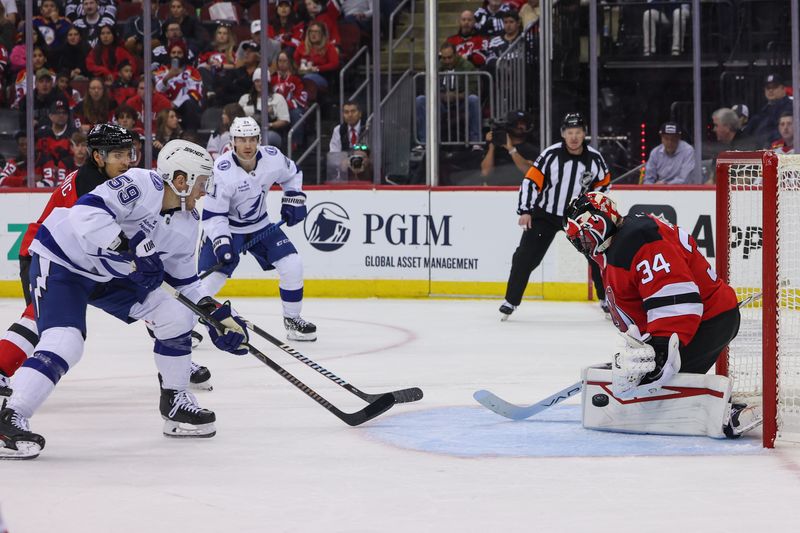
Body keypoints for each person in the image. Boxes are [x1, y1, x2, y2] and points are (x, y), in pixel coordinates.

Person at [0, 138, 248, 459]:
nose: (205, 191)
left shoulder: (188, 222)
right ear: (181, 179)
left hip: (110, 276)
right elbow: (85, 214)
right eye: (202, 182)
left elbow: (184, 281)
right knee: (66, 342)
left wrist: (215, 315)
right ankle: (10, 417)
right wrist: (127, 246)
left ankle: (175, 401)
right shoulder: (140, 183)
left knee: (175, 313)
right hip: (65, 260)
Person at [0, 125, 210, 392]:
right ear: (98, 157)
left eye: (129, 153)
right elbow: (94, 232)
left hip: (91, 262)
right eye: (117, 155)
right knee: (39, 320)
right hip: (48, 254)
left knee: (152, 299)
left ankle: (175, 355)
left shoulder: (119, 181)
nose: (126, 161)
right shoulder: (90, 183)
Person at [563, 192, 756, 438]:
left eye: (584, 236)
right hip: (697, 324)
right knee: (644, 388)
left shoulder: (637, 239)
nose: (583, 244)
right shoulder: (620, 242)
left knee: (653, 397)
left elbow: (675, 295)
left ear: (600, 221)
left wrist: (663, 347)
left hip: (705, 323)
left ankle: (732, 414)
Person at [199, 116, 317, 342]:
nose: (247, 145)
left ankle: (292, 319)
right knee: (208, 283)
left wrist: (294, 198)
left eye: (252, 139)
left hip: (261, 226)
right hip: (229, 229)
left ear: (259, 140)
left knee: (292, 264)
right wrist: (222, 242)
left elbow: (293, 173)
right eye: (242, 140)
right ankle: (182, 329)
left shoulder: (272, 158)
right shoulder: (221, 171)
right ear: (232, 141)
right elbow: (214, 216)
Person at [499, 112, 609, 320]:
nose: (574, 137)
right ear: (563, 134)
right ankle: (511, 301)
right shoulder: (550, 155)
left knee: (598, 257)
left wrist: (593, 208)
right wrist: (525, 210)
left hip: (579, 218)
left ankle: (606, 300)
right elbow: (530, 182)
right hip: (546, 215)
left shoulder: (594, 159)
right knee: (524, 257)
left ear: (584, 134)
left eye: (578, 132)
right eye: (570, 132)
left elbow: (604, 184)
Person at [415, 42, 482, 148]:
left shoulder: (467, 66)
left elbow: (474, 89)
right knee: (420, 100)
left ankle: (475, 142)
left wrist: (456, 96)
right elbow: (428, 88)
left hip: (461, 103)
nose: (447, 61)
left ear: (456, 54)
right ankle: (424, 142)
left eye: (450, 58)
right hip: (441, 103)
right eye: (444, 58)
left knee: (473, 99)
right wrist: (441, 96)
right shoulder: (437, 66)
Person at [480, 110, 537, 184]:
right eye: (516, 123)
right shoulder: (496, 147)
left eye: (522, 123)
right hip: (494, 191)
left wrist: (511, 149)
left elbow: (528, 171)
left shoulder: (531, 149)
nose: (519, 126)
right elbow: (485, 173)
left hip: (519, 191)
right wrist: (491, 146)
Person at [745, 74, 794, 148]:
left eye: (774, 87)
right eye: (768, 88)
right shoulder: (763, 110)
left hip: (780, 149)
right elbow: (749, 130)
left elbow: (784, 132)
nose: (770, 90)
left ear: (783, 89)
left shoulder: (791, 107)